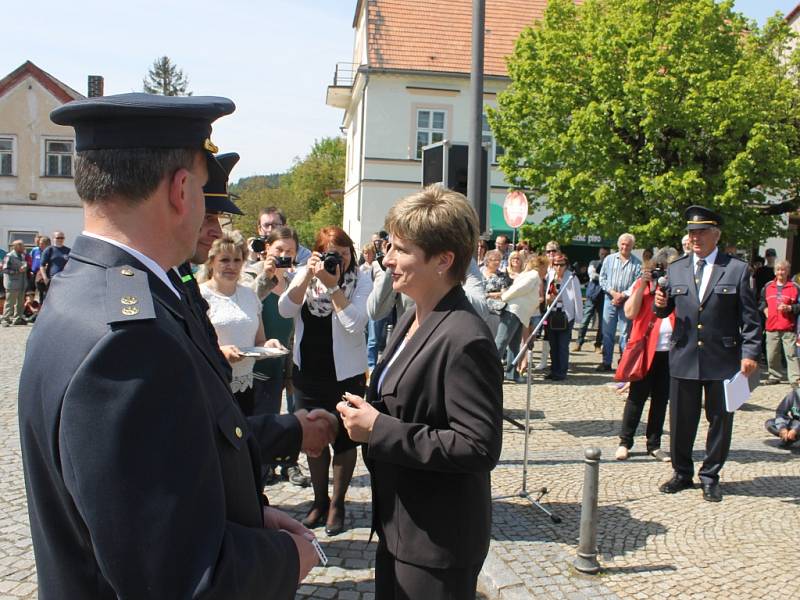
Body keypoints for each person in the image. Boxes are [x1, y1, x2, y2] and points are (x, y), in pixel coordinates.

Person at [18, 92, 324, 598]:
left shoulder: (87, 288)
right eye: (204, 190)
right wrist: (289, 558)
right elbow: (180, 579)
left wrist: (240, 514)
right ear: (182, 189)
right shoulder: (130, 342)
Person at [337, 185, 503, 600]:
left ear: (444, 260)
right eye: (389, 246)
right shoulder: (414, 315)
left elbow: (478, 446)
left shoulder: (465, 337)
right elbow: (401, 405)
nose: (387, 260)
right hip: (401, 527)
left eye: (401, 250)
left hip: (437, 541)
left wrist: (379, 429)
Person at [654, 205, 761, 502]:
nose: (695, 237)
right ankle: (682, 472)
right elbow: (663, 310)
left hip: (723, 358)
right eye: (691, 232)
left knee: (720, 419)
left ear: (716, 234)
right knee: (681, 420)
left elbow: (751, 320)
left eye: (701, 232)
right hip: (684, 355)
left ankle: (710, 475)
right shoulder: (677, 268)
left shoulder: (737, 269)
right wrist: (660, 303)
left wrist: (750, 352)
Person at [279, 226, 372, 536]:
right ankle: (319, 500)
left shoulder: (362, 279)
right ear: (317, 254)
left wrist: (334, 288)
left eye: (343, 254)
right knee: (313, 439)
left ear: (351, 255)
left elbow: (355, 325)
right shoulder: (305, 275)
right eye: (331, 253)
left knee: (345, 440)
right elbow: (284, 309)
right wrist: (307, 276)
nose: (338, 259)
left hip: (345, 374)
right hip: (308, 373)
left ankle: (338, 504)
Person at [248, 226, 311, 487]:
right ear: (267, 250)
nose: (284, 255)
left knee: (290, 411)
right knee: (262, 413)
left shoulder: (297, 280)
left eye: (290, 251)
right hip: (257, 357)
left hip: (287, 355)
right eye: (279, 250)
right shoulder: (252, 275)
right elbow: (245, 304)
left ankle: (288, 463)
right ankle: (260, 470)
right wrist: (267, 274)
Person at [200, 231, 286, 417]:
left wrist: (268, 346)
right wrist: (221, 352)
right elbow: (194, 346)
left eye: (237, 260)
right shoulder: (200, 297)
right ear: (212, 261)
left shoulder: (249, 295)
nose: (231, 266)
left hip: (245, 385)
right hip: (212, 387)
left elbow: (259, 341)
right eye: (224, 260)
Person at [615, 247, 679, 462]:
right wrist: (643, 283)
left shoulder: (678, 288)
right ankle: (625, 442)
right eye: (661, 269)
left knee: (661, 400)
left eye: (669, 269)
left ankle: (654, 444)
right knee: (636, 398)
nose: (664, 274)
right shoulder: (645, 286)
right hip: (646, 349)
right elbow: (630, 312)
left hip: (669, 351)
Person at [495, 254, 546, 383]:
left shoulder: (529, 275)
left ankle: (512, 373)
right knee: (501, 342)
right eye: (546, 267)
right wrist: (504, 297)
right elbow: (519, 289)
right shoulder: (533, 275)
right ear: (541, 266)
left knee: (514, 345)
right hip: (514, 311)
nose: (546, 270)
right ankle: (489, 373)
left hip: (520, 314)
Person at [597, 233, 642, 372]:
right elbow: (602, 279)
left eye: (628, 244)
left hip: (627, 301)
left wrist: (623, 294)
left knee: (625, 334)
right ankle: (606, 362)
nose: (625, 247)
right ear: (618, 244)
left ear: (632, 246)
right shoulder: (609, 259)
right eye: (622, 244)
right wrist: (613, 293)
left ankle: (623, 362)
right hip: (609, 299)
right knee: (607, 332)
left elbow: (637, 282)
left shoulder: (637, 263)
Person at [760, 259, 800, 386]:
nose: (780, 272)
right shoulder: (767, 286)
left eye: (783, 269)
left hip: (788, 326)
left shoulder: (795, 287)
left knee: (791, 354)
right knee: (772, 354)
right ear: (775, 271)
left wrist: (790, 308)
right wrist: (764, 309)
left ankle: (795, 379)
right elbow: (761, 303)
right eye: (778, 269)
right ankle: (774, 375)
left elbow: (799, 306)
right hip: (771, 326)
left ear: (788, 271)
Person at [543, 252, 583, 381]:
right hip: (552, 314)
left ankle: (561, 371)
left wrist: (578, 317)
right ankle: (554, 370)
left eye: (561, 265)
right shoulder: (550, 276)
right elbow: (547, 295)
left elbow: (577, 298)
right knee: (553, 345)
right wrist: (547, 299)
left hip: (566, 315)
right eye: (556, 265)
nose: (559, 268)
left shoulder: (571, 278)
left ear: (566, 265)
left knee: (562, 345)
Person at [574, 246, 609, 352]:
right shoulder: (594, 262)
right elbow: (592, 275)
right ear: (599, 254)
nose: (604, 256)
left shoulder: (611, 265)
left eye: (606, 254)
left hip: (604, 296)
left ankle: (598, 345)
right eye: (602, 254)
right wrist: (606, 279)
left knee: (603, 323)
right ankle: (579, 343)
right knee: (585, 320)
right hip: (592, 295)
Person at [1, 240, 28, 326]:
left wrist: (25, 268)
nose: (23, 247)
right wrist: (17, 271)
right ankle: (5, 319)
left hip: (22, 283)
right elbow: (4, 269)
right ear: (16, 247)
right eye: (22, 245)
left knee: (20, 302)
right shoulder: (9, 256)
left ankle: (17, 318)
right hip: (12, 283)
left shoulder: (23, 256)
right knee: (10, 302)